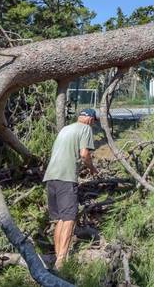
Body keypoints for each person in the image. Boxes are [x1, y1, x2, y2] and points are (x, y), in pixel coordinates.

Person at [43, 108, 99, 269]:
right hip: (66, 178)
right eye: (94, 121)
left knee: (60, 219)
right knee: (69, 219)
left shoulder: (65, 129)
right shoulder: (85, 128)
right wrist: (92, 169)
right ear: (89, 119)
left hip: (51, 177)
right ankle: (61, 261)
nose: (93, 124)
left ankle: (57, 258)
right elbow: (84, 154)